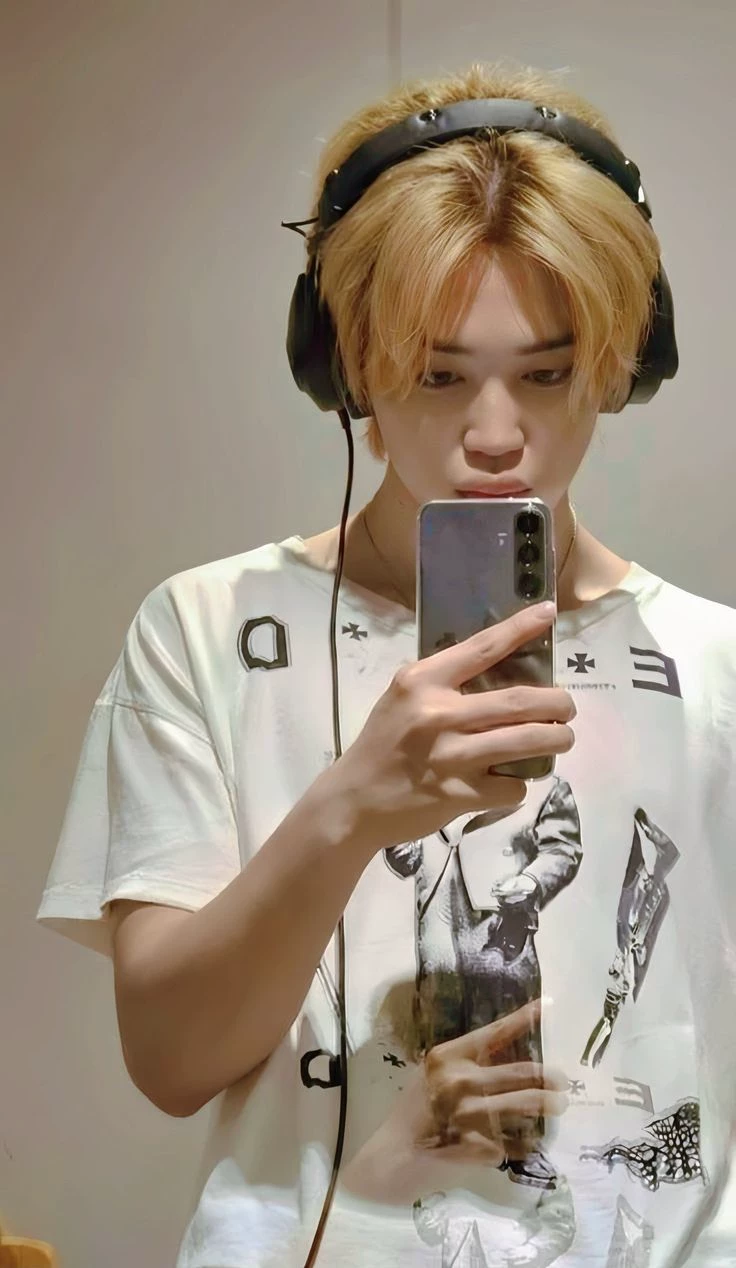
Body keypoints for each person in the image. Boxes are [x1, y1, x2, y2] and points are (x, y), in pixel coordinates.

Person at [37, 61, 736, 1268]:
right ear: (345, 365)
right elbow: (172, 1061)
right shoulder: (207, 627)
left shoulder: (715, 663)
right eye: (437, 373)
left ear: (624, 361)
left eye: (548, 372)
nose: (496, 436)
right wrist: (350, 807)